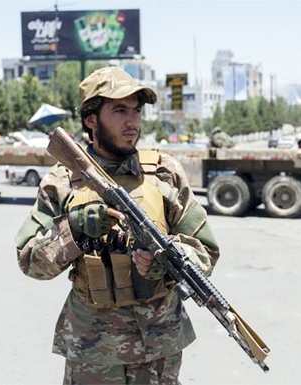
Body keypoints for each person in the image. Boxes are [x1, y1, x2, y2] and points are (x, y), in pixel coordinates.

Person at [14, 66, 220, 384]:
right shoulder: (62, 180)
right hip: (93, 348)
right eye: (120, 110)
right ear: (90, 119)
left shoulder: (165, 173)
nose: (132, 121)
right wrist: (74, 230)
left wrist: (165, 259)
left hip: (158, 346)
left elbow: (205, 250)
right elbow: (30, 262)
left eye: (136, 110)